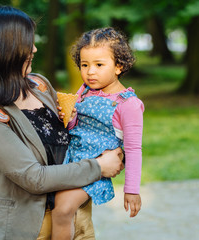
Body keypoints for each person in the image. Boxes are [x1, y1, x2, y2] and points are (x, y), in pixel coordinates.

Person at [0, 6, 124, 240]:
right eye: (26, 43)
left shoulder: (39, 85)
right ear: (2, 49)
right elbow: (34, 177)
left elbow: (74, 136)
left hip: (75, 216)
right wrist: (99, 167)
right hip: (31, 228)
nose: (34, 48)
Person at [52, 27, 144, 240]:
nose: (90, 72)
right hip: (69, 162)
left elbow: (133, 148)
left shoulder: (128, 104)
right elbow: (76, 126)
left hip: (95, 170)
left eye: (99, 65)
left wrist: (131, 189)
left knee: (63, 210)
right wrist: (70, 116)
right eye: (85, 65)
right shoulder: (84, 91)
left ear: (118, 66)